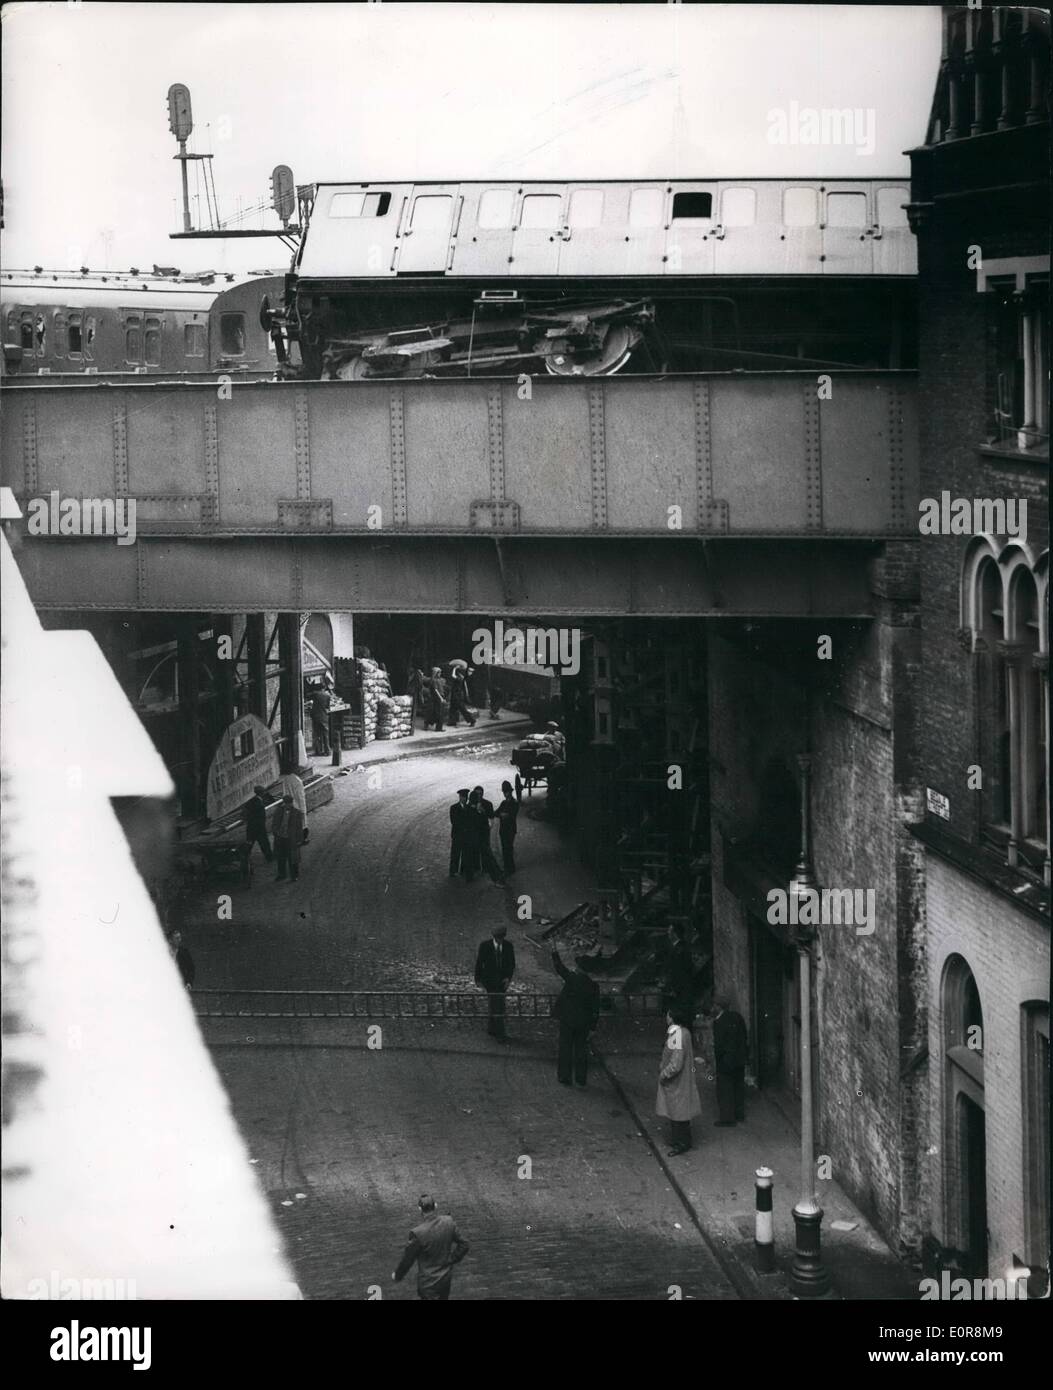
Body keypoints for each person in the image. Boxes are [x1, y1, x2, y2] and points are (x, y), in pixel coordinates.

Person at [391, 1195, 469, 1301]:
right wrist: (452, 1259)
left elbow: (408, 1260)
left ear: (420, 1209)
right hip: (445, 1279)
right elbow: (464, 1244)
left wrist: (398, 1275)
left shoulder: (418, 1233)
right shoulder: (448, 1222)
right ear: (435, 1206)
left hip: (428, 1284)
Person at [551, 948, 600, 1087]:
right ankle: (580, 1078)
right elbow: (595, 1009)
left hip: (568, 1020)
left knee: (565, 1048)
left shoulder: (572, 978)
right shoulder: (594, 986)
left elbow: (560, 968)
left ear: (579, 968)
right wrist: (593, 1027)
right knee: (581, 1050)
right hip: (583, 1023)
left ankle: (564, 1076)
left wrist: (555, 954)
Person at [656, 1007, 702, 1156]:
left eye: (668, 1015)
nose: (666, 1018)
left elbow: (675, 1064)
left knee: (677, 1114)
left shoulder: (676, 1035)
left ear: (672, 1017)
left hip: (676, 1082)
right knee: (681, 1113)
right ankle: (683, 1141)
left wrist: (664, 1074)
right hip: (683, 1080)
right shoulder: (685, 1032)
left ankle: (681, 1143)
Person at [474, 924, 515, 1040]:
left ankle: (492, 1028)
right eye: (498, 938)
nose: (500, 940)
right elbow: (479, 963)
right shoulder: (485, 946)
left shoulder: (508, 946)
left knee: (495, 1004)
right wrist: (477, 979)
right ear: (494, 937)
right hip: (489, 981)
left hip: (502, 981)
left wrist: (508, 978)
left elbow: (511, 964)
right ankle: (500, 1034)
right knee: (498, 1005)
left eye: (501, 937)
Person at [712, 997, 748, 1126]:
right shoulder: (738, 1017)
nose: (713, 1008)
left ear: (719, 1007)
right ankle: (739, 1114)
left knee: (725, 1089)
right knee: (738, 1087)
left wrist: (717, 1060)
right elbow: (744, 1036)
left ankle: (727, 1119)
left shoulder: (718, 1022)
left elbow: (719, 1045)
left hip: (725, 1060)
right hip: (739, 1059)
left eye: (714, 1005)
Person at [468, 785, 504, 884]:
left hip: (483, 834)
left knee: (487, 854)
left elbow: (491, 820)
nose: (479, 796)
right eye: (477, 794)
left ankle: (493, 874)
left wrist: (482, 813)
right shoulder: (471, 807)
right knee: (480, 853)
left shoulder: (487, 804)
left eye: (480, 794)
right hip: (475, 835)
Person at [662, 922, 696, 1016]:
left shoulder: (680, 950)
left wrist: (674, 988)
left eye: (670, 931)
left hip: (680, 989)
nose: (668, 933)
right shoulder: (680, 947)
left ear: (675, 933)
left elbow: (679, 971)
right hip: (681, 988)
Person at [273, 793, 305, 883]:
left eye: (289, 803)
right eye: (286, 803)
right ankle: (281, 874)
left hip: (291, 839)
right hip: (281, 838)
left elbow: (299, 828)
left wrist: (299, 840)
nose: (288, 805)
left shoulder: (297, 813)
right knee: (281, 857)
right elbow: (274, 823)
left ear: (291, 803)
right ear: (284, 803)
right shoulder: (279, 811)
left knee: (293, 859)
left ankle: (294, 876)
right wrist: (276, 831)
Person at [245, 785, 273, 864]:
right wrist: (268, 794)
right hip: (259, 827)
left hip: (251, 827)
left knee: (249, 844)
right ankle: (269, 858)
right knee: (265, 843)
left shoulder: (252, 801)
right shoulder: (259, 803)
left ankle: (244, 858)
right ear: (262, 793)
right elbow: (271, 800)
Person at [495, 780, 518, 875]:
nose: (505, 794)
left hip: (510, 829)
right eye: (504, 792)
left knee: (508, 848)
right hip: (504, 830)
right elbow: (496, 813)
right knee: (505, 848)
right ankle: (507, 867)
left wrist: (502, 814)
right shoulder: (504, 803)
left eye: (507, 792)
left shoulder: (514, 803)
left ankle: (510, 868)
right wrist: (502, 814)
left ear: (510, 792)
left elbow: (510, 815)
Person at [449, 788, 471, 878]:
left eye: (466, 797)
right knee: (455, 854)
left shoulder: (469, 808)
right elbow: (454, 821)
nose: (464, 799)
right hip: (457, 835)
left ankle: (463, 870)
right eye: (463, 797)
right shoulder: (453, 808)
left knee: (465, 854)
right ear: (460, 797)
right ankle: (453, 871)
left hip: (465, 835)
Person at [310, 681, 332, 756]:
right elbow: (327, 707)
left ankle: (318, 751)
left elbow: (308, 695)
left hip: (315, 716)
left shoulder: (315, 694)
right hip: (324, 716)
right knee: (325, 735)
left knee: (316, 734)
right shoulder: (327, 695)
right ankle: (327, 751)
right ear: (324, 688)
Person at [427, 667, 449, 732]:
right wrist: (441, 698)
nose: (440, 674)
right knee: (439, 713)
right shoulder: (434, 680)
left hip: (440, 697)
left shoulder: (439, 680)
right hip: (437, 698)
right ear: (436, 673)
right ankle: (438, 728)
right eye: (439, 672)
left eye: (440, 672)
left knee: (438, 713)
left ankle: (431, 723)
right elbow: (436, 690)